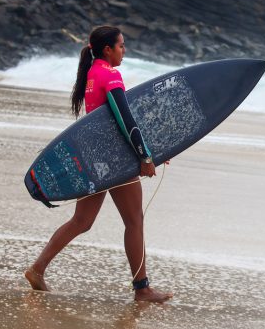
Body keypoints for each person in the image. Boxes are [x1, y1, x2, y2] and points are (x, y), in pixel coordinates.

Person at [25, 25, 173, 303]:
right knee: (134, 221)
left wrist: (152, 151)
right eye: (121, 46)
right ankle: (142, 288)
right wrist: (144, 156)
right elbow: (125, 120)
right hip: (115, 161)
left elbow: (104, 122)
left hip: (93, 157)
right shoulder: (111, 75)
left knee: (82, 221)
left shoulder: (92, 75)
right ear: (108, 49)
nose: (124, 51)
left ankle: (37, 269)